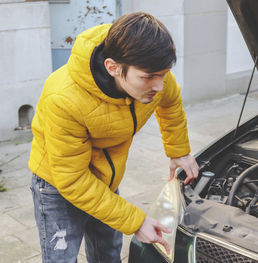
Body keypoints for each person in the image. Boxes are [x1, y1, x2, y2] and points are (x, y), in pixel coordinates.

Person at [28, 12, 199, 263]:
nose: (159, 86)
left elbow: (170, 102)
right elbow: (73, 180)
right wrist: (135, 221)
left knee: (108, 254)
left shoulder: (152, 71)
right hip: (58, 186)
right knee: (61, 258)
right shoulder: (63, 99)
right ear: (113, 67)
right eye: (149, 77)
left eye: (163, 75)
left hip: (105, 177)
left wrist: (179, 151)